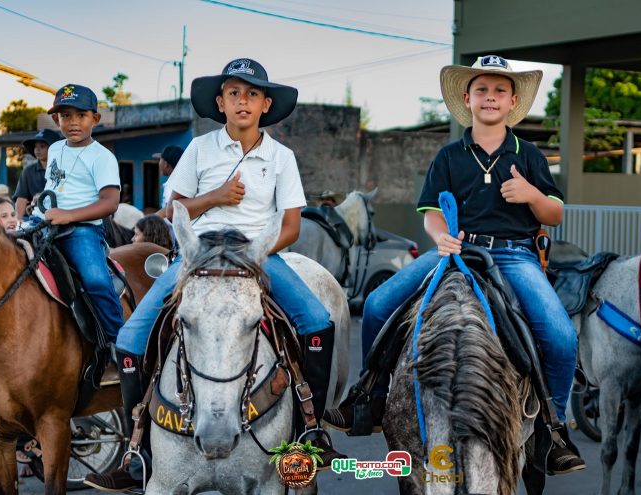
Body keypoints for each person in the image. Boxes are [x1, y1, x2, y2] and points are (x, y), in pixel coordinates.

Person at [85, 57, 344, 491]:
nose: (243, 101)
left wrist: (255, 254)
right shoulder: (200, 149)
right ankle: (138, 450)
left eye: (252, 94)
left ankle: (308, 435)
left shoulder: (281, 157)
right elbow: (174, 211)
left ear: (266, 105)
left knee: (317, 323)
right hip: (197, 257)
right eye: (234, 93)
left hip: (259, 256)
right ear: (221, 103)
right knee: (130, 339)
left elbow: (292, 226)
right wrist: (217, 196)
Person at [323, 55, 586, 475]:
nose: (490, 97)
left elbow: (554, 213)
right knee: (376, 304)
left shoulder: (529, 155)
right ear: (467, 98)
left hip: (513, 254)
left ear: (512, 100)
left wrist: (530, 195)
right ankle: (370, 398)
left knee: (559, 335)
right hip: (454, 250)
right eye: (482, 89)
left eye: (500, 90)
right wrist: (439, 236)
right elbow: (431, 212)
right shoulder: (449, 156)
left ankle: (552, 430)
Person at [35, 83, 125, 344]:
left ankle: (117, 345)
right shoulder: (54, 149)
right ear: (56, 119)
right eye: (66, 116)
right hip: (45, 222)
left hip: (82, 229)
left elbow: (110, 203)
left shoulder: (102, 157)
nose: (73, 122)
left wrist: (69, 215)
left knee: (96, 281)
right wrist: (42, 205)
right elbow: (55, 186)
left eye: (81, 115)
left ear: (94, 119)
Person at [14, 129, 64, 219]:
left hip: (61, 215)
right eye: (35, 146)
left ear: (54, 148)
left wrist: (42, 196)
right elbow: (21, 198)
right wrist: (18, 221)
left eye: (42, 146)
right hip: (35, 217)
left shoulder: (64, 169)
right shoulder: (28, 171)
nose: (37, 150)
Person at [153, 145, 184, 217]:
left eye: (160, 160)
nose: (159, 163)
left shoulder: (172, 186)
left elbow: (169, 211)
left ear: (166, 164)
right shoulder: (181, 181)